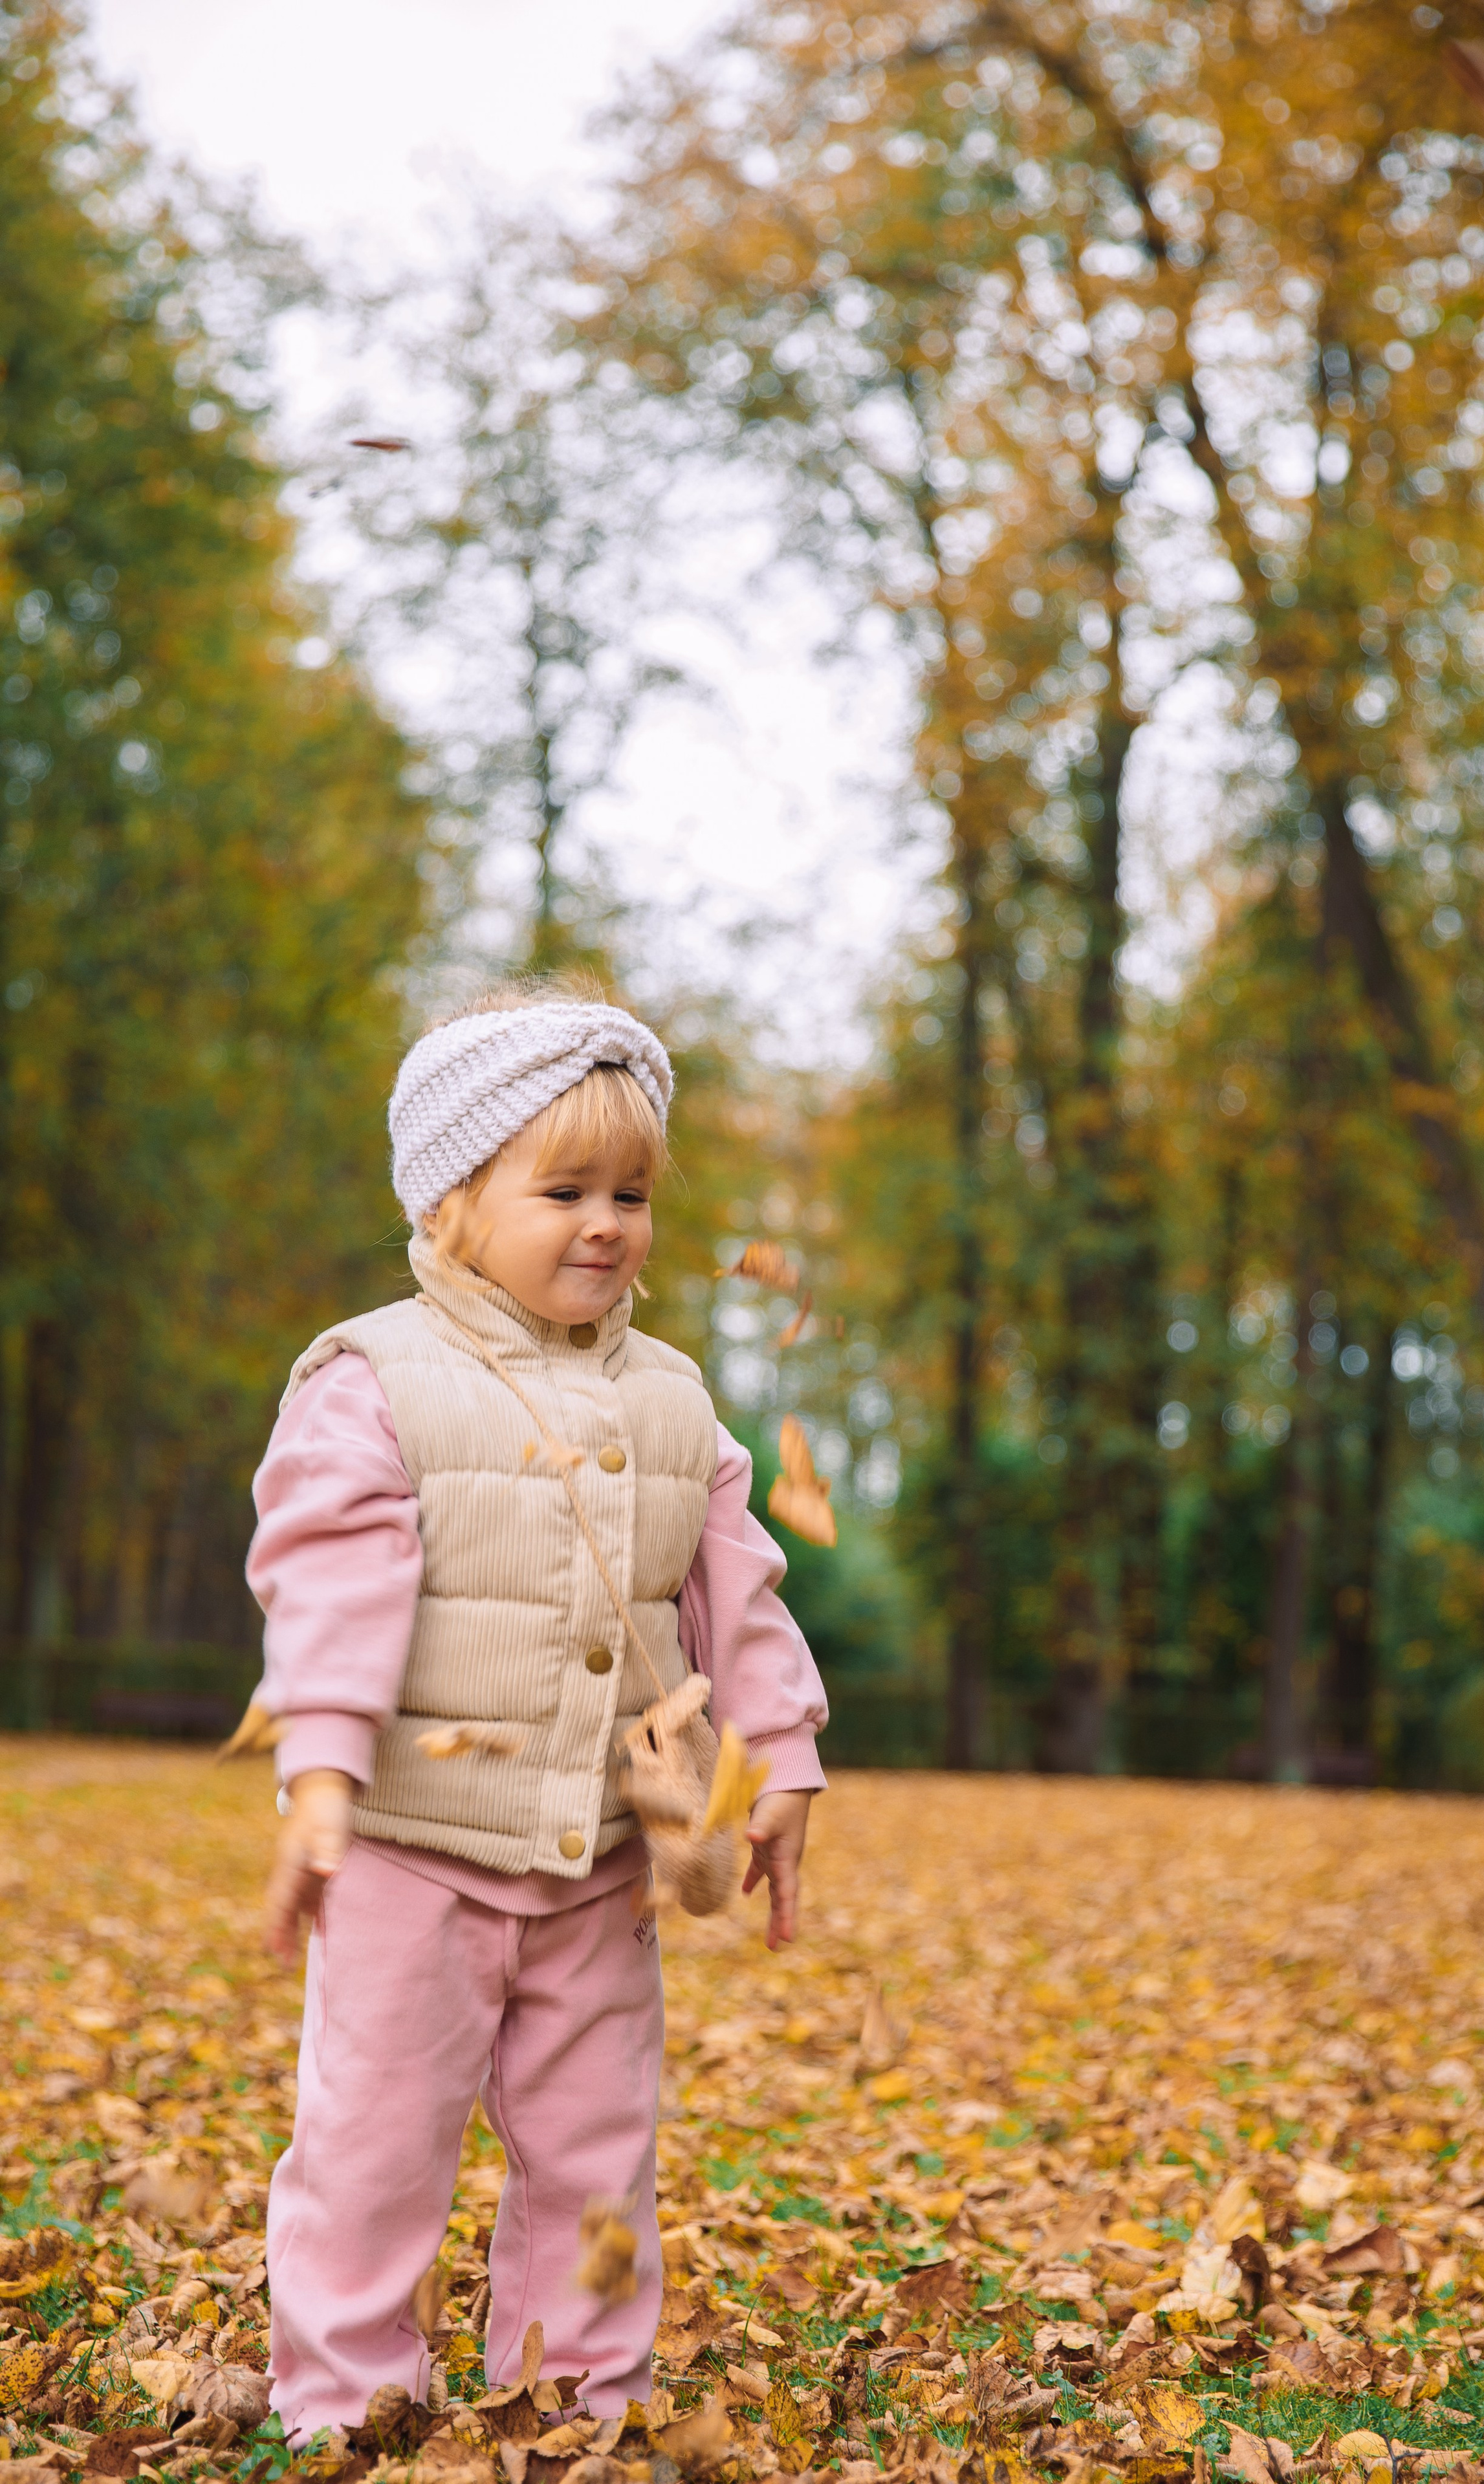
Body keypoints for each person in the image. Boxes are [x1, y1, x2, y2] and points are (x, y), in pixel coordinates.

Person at [245, 977, 828, 2445]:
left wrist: (782, 1765)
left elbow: (735, 1601)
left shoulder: (676, 1400)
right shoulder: (375, 1378)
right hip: (406, 1849)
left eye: (630, 1191)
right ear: (448, 1201)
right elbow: (330, 1589)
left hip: (599, 1863)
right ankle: (344, 2404)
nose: (606, 1222)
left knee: (593, 2153)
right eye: (562, 1187)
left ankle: (576, 2395)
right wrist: (318, 1774)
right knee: (376, 2144)